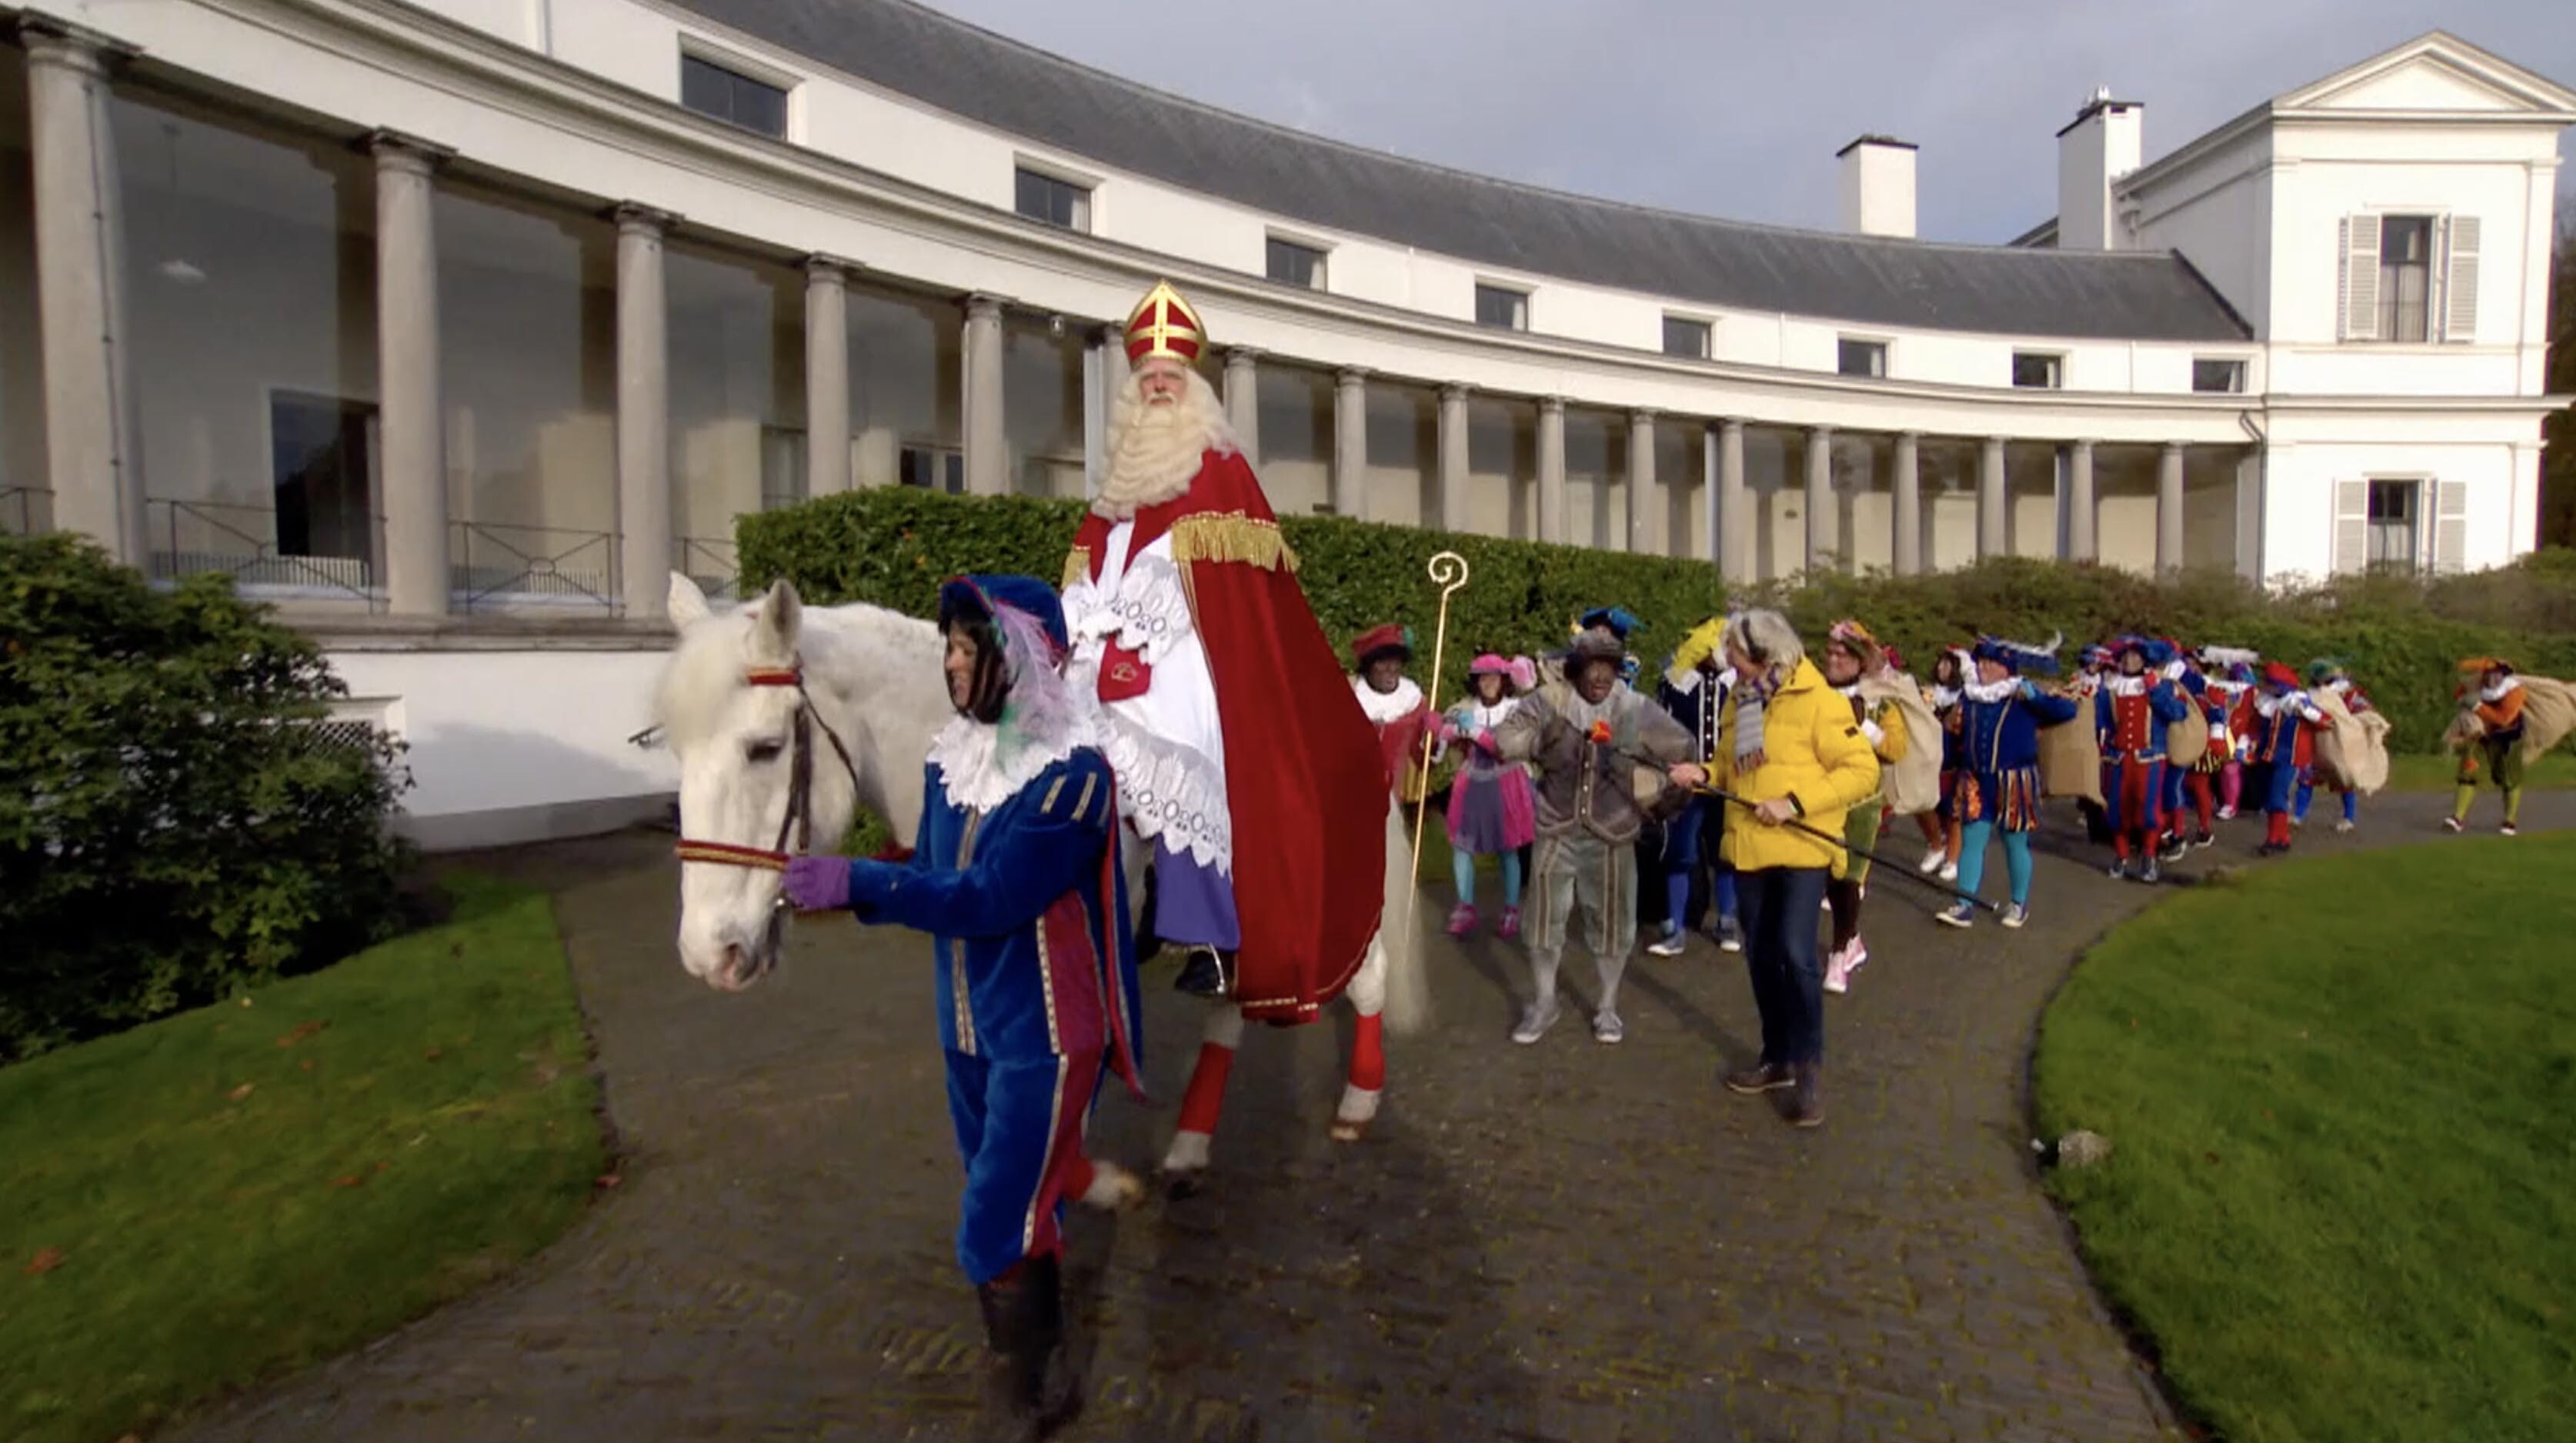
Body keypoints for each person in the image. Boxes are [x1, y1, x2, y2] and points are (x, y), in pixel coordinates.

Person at [780, 575, 1146, 1435]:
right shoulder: (951, 764)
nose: (948, 663)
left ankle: (1017, 1392)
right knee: (1026, 1200)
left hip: (1046, 1038)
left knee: (991, 1215)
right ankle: (1046, 1365)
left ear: (1015, 658)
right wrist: (859, 878)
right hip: (965, 1028)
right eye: (947, 645)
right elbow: (938, 875)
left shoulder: (1075, 780)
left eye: (964, 648)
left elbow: (987, 897)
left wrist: (863, 881)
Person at [1059, 280, 1388, 1011]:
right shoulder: (1115, 489)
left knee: (1183, 738)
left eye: (1172, 380)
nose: (1160, 392)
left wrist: (1147, 618)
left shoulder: (1222, 468)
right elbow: (1086, 571)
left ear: (1196, 388)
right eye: (1149, 382)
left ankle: (1204, 933)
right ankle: (1111, 913)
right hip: (1108, 650)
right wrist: (1085, 621)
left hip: (1187, 651)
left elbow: (1230, 584)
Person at [1667, 609, 1879, 1129]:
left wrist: (1795, 802)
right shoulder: (1743, 700)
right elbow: (1731, 766)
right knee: (1761, 955)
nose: (1730, 667)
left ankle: (1808, 1070)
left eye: (1737, 658)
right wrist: (1703, 772)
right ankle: (1777, 1056)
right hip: (1748, 847)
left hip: (1803, 850)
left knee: (1795, 952)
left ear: (1765, 656)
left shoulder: (1821, 702)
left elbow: (1862, 770)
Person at [1490, 624, 1697, 1045]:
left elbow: (1684, 751)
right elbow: (1503, 739)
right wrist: (1541, 741)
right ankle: (1545, 1003)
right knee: (1542, 921)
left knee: (1614, 924)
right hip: (1555, 828)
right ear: (1577, 669)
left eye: (1609, 667)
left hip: (1612, 832)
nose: (1601, 677)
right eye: (1592, 667)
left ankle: (1607, 1007)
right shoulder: (1550, 701)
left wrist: (1656, 797)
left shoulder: (1635, 709)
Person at [1938, 635, 2080, 928]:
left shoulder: (2022, 695)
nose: (1985, 668)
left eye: (1993, 663)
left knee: (2014, 843)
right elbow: (1955, 734)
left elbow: (2067, 711)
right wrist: (1947, 764)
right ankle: (1964, 904)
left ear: (2007, 669)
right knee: (1972, 841)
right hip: (1975, 778)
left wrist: (2037, 697)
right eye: (1983, 662)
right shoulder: (1970, 695)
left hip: (2014, 780)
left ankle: (2018, 904)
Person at [1819, 619, 1914, 995]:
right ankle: (1852, 938)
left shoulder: (1880, 700)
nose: (1834, 659)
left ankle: (1839, 954)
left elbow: (1895, 748)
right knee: (1819, 876)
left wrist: (1866, 728)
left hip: (1861, 803)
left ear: (1860, 662)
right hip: (1819, 797)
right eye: (1830, 652)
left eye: (1843, 654)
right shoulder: (1814, 692)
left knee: (1848, 879)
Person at [1648, 615, 1743, 956]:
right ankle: (1675, 926)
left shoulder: (1739, 684)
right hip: (1685, 784)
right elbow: (1659, 726)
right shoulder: (1675, 681)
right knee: (1679, 853)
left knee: (1726, 853)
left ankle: (1728, 920)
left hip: (1726, 783)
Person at [1436, 654, 1538, 938]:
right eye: (1483, 678)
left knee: (1508, 848)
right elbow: (1443, 735)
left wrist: (1477, 734)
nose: (1489, 683)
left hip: (1507, 782)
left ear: (1504, 680)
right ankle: (1465, 906)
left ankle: (1511, 909)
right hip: (1473, 782)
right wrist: (1445, 733)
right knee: (1462, 845)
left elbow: (1505, 748)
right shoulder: (1465, 708)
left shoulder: (1516, 710)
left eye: (1494, 677)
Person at [2094, 635, 2189, 883]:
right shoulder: (2110, 688)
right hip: (2118, 759)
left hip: (2150, 759)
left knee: (2149, 811)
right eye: (2125, 656)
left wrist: (2154, 690)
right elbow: (2101, 721)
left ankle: (2149, 855)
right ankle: (2121, 855)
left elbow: (2178, 713)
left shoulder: (2162, 685)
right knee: (2117, 811)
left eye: (2135, 656)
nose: (2129, 660)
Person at [2240, 661, 2325, 856]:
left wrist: (2307, 712)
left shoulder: (2298, 702)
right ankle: (2281, 839)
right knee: (2270, 798)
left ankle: (2275, 839)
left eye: (2270, 683)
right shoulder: (2265, 702)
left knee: (2277, 797)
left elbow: (2325, 722)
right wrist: (2243, 746)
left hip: (2290, 758)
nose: (2265, 686)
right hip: (2267, 756)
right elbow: (2253, 727)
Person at [1350, 623, 1434, 811]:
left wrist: (1435, 736)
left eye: (1396, 661)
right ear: (1369, 666)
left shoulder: (1413, 701)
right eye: (1382, 662)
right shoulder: (1350, 696)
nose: (1391, 668)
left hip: (1397, 803)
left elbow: (1423, 759)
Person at [2446, 657, 2528, 836]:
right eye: (2489, 674)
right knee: (2468, 772)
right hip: (2482, 737)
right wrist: (2463, 699)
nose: (2492, 679)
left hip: (2508, 739)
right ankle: (2457, 818)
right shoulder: (2479, 684)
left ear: (2504, 676)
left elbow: (2503, 718)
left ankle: (2510, 820)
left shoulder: (2515, 692)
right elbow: (2459, 693)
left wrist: (2477, 706)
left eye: (2496, 675)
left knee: (2509, 779)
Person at [2297, 658, 2374, 833]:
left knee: (2344, 779)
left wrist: (2349, 725)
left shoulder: (2348, 694)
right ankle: (2299, 815)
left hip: (2340, 744)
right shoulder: (2310, 694)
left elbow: (2366, 711)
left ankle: (2349, 818)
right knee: (2306, 778)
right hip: (2315, 743)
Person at [1914, 646, 1970, 881]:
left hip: (1954, 761)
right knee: (1921, 804)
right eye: (1941, 663)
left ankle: (1952, 859)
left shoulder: (1966, 697)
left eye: (1948, 664)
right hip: (1927, 759)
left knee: (1953, 812)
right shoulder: (1928, 693)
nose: (1942, 668)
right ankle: (1936, 845)